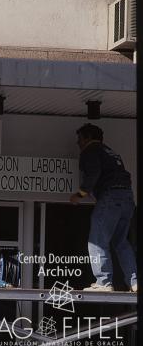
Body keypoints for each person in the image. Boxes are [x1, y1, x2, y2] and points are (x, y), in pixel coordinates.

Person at [70, 123, 137, 292]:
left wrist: (80, 194)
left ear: (87, 138)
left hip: (110, 198)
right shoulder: (110, 152)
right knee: (121, 242)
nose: (78, 143)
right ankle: (135, 282)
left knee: (97, 241)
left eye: (79, 139)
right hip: (127, 198)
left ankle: (103, 283)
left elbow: (93, 173)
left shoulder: (90, 150)